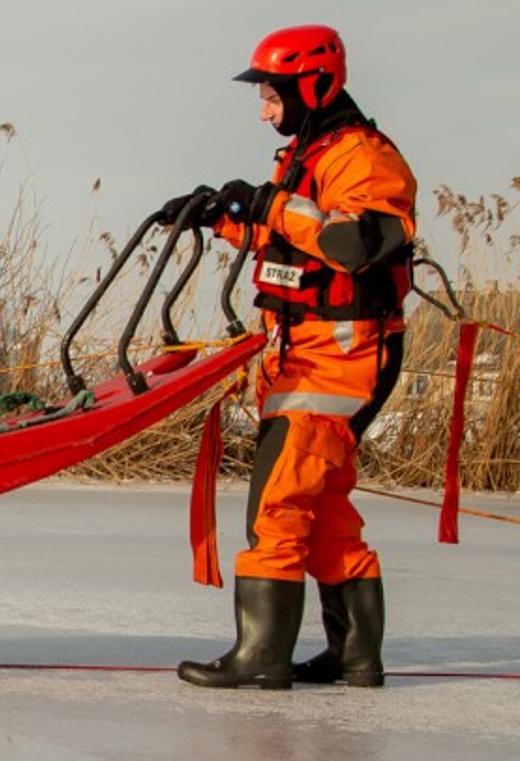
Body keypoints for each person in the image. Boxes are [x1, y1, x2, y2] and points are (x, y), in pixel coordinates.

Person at [170, 25, 415, 689]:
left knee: (276, 506)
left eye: (272, 94)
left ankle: (261, 657)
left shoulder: (365, 159)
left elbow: (355, 243)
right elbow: (286, 239)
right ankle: (356, 656)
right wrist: (217, 218)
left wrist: (273, 202)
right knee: (325, 509)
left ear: (314, 86)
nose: (264, 109)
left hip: (340, 358)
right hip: (301, 354)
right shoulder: (310, 152)